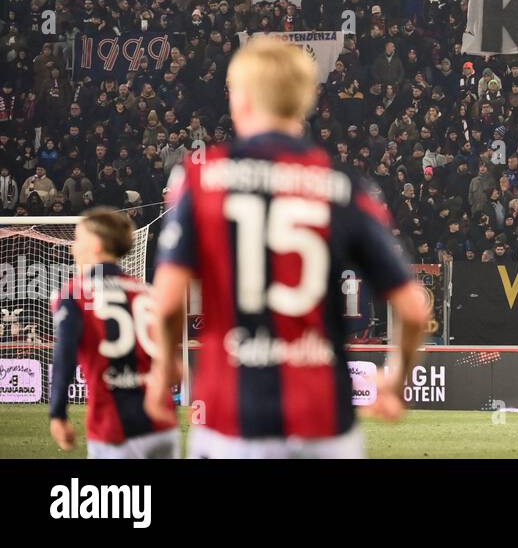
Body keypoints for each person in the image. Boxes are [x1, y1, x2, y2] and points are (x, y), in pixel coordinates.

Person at [144, 37, 430, 457]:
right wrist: (397, 378)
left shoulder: (200, 182)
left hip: (232, 422)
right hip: (325, 423)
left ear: (239, 99)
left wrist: (163, 369)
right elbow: (413, 307)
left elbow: (167, 301)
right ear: (304, 102)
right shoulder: (346, 187)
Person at [49, 207, 179, 458]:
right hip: (162, 422)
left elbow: (64, 356)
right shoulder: (145, 292)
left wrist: (58, 413)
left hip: (113, 427)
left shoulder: (74, 294)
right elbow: (170, 362)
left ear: (96, 245)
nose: (72, 247)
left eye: (78, 240)